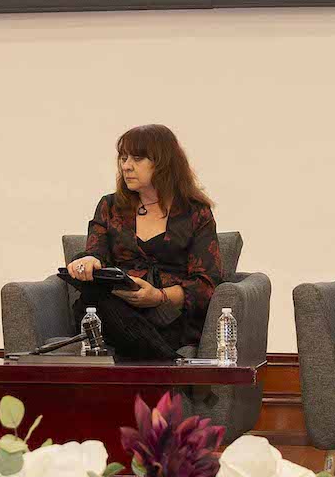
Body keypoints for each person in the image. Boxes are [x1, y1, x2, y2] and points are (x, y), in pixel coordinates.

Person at [64, 124, 225, 361]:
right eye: (123, 157)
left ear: (163, 163)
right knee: (95, 302)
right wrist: (88, 261)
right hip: (115, 307)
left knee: (106, 312)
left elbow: (208, 282)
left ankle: (159, 360)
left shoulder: (196, 213)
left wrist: (158, 296)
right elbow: (96, 251)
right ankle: (173, 366)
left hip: (167, 314)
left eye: (137, 158)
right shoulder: (110, 206)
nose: (126, 165)